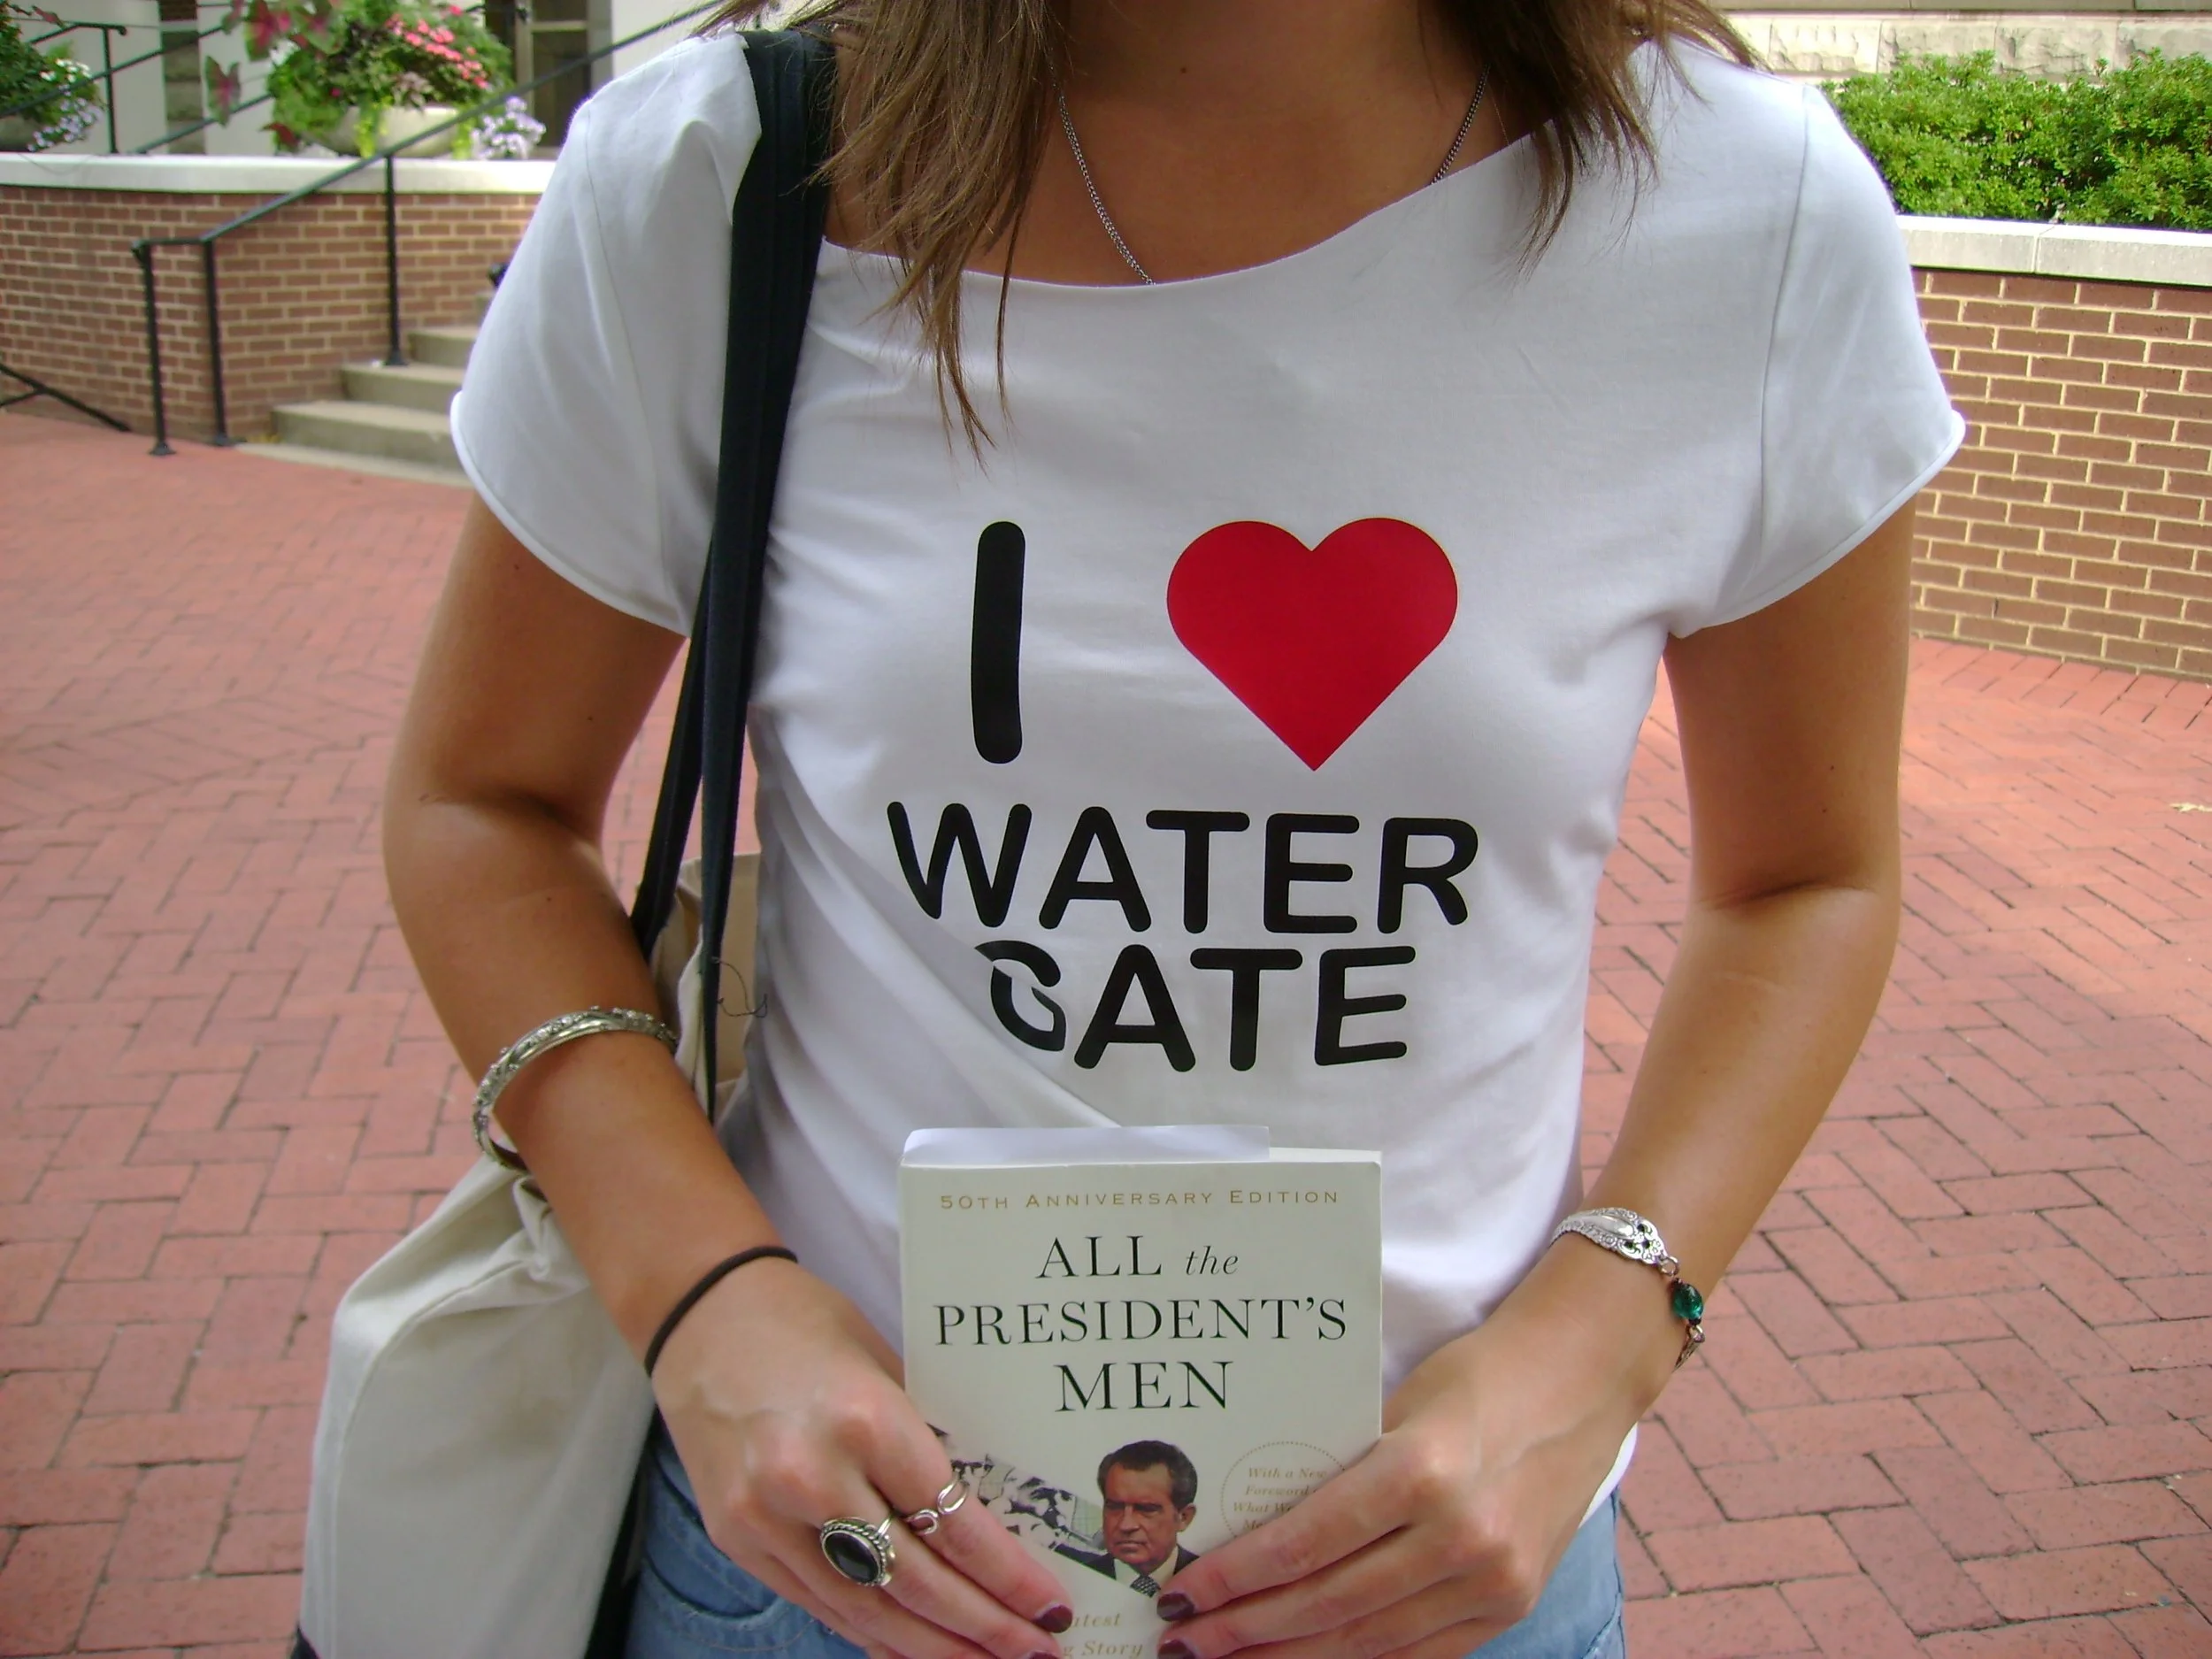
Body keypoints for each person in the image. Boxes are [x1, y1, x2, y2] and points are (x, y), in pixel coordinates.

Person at [388, 0, 1962, 1655]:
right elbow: (481, 803)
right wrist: (700, 1302)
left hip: (1443, 1575)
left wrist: (1606, 1335)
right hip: (843, 1569)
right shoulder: (724, 175)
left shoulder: (1744, 213)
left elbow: (1809, 879)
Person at [1054, 1443, 1204, 1593]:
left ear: (1184, 1517)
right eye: (1115, 1507)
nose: (1125, 1525)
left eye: (1146, 1509)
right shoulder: (1073, 1582)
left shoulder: (1207, 1580)